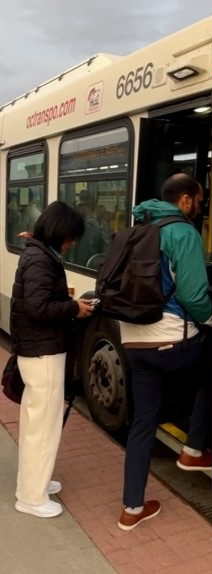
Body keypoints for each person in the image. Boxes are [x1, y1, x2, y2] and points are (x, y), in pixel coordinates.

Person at [118, 173, 212, 531]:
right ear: (186, 199)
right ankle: (192, 452)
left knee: (143, 422)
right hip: (172, 341)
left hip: (134, 342)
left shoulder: (136, 227)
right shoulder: (182, 232)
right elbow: (192, 296)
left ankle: (131, 508)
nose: (200, 207)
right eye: (200, 200)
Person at [10, 201, 95, 518]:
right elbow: (39, 308)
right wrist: (75, 308)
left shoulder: (37, 254)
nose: (72, 243)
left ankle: (34, 484)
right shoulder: (40, 260)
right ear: (60, 232)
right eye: (71, 237)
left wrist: (72, 304)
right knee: (43, 427)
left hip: (38, 349)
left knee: (38, 424)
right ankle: (31, 498)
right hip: (43, 351)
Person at [70, 191, 104, 266]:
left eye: (80, 206)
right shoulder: (95, 221)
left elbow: (85, 249)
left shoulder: (90, 224)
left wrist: (78, 266)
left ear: (86, 207)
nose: (78, 208)